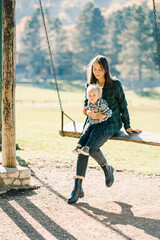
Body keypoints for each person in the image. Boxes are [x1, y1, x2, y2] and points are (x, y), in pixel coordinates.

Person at [67, 55, 141, 204]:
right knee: (82, 148)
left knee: (92, 148)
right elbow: (85, 106)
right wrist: (88, 112)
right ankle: (77, 188)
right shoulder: (90, 85)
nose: (97, 72)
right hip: (93, 122)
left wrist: (127, 126)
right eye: (94, 69)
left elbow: (123, 105)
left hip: (111, 122)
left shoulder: (115, 84)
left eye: (100, 69)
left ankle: (107, 169)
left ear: (106, 69)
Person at [73, 84, 112, 156]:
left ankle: (86, 148)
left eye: (94, 95)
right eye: (90, 96)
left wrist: (103, 115)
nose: (92, 97)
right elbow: (86, 110)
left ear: (98, 96)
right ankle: (78, 146)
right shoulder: (89, 103)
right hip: (92, 123)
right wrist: (88, 112)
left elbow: (109, 112)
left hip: (101, 123)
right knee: (85, 134)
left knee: (93, 135)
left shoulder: (101, 104)